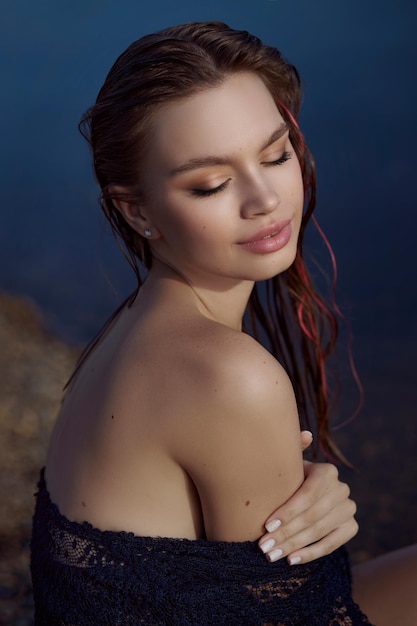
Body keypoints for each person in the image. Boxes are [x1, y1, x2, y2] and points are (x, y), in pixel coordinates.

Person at [30, 21, 416, 625]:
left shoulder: (129, 326)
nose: (265, 198)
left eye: (276, 154)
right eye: (211, 184)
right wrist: (318, 528)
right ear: (137, 211)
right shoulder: (230, 376)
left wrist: (285, 480)